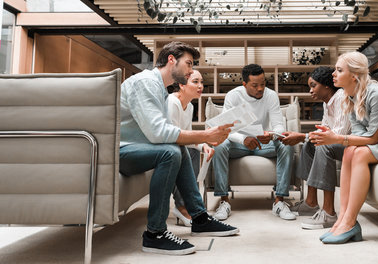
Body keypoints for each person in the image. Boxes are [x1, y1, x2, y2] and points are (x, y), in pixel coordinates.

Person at [119, 41, 239, 256]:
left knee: (177, 149)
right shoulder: (145, 82)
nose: (191, 70)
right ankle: (155, 234)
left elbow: (164, 133)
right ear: (171, 60)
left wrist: (203, 139)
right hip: (121, 151)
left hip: (137, 149)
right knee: (171, 151)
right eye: (189, 63)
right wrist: (206, 135)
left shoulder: (159, 88)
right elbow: (158, 133)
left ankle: (199, 218)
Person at [310, 51, 378, 244]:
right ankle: (342, 220)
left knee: (360, 153)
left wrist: (336, 138)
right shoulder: (349, 97)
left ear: (354, 75)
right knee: (349, 151)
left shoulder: (376, 94)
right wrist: (341, 140)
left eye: (339, 70)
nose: (333, 75)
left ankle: (350, 221)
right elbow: (357, 134)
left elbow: (372, 137)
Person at [212, 64, 296, 221]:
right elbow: (225, 128)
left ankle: (279, 201)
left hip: (263, 142)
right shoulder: (233, 96)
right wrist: (243, 139)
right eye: (255, 85)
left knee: (286, 144)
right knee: (220, 145)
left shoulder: (271, 96)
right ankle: (224, 201)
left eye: (263, 84)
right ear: (244, 84)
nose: (260, 88)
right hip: (239, 143)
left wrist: (271, 134)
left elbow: (278, 124)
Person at [281, 66, 351, 230]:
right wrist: (304, 137)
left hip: (351, 143)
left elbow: (339, 135)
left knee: (322, 146)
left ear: (326, 85)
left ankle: (329, 213)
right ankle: (311, 202)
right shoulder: (328, 103)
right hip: (339, 141)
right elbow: (324, 131)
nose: (310, 90)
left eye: (313, 86)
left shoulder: (342, 98)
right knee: (309, 145)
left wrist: (300, 136)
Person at [167, 69, 215, 227]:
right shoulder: (172, 102)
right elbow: (174, 137)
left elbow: (187, 136)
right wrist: (204, 138)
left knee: (193, 151)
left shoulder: (189, 106)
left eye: (201, 82)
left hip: (177, 146)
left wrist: (203, 146)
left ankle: (187, 206)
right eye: (195, 82)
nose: (200, 86)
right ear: (181, 84)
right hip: (165, 147)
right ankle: (182, 206)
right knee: (186, 152)